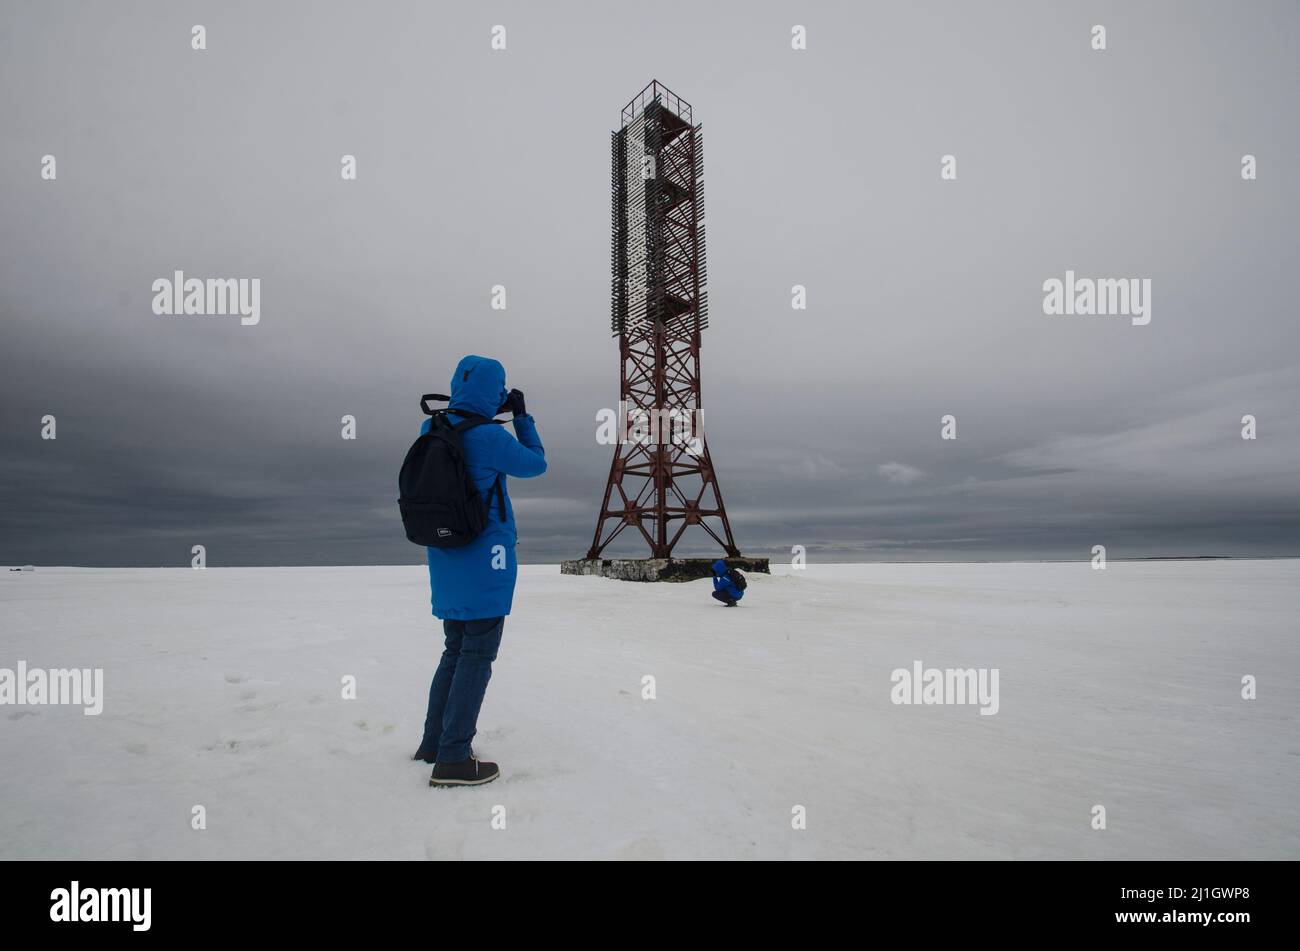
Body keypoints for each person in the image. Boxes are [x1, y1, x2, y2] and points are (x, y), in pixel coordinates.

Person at [414, 355, 546, 787]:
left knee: (455, 649)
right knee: (477, 654)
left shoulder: (431, 428)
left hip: (445, 554)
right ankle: (453, 759)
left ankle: (434, 743)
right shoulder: (489, 435)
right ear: (495, 391)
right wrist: (521, 417)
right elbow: (535, 463)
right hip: (486, 556)